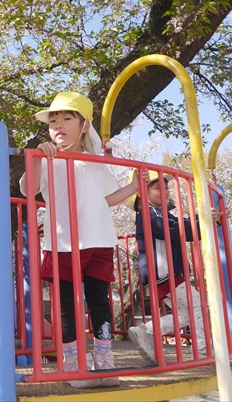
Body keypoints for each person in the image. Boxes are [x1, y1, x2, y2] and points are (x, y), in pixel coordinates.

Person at [19, 91, 141, 389]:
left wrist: (135, 186)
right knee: (65, 305)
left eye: (66, 118)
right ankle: (72, 364)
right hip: (63, 242)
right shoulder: (47, 159)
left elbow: (106, 199)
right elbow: (30, 190)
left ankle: (104, 362)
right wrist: (37, 157)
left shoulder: (94, 162)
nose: (58, 125)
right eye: (53, 121)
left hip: (99, 239)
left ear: (85, 126)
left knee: (99, 302)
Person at [125, 170, 220, 363]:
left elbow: (184, 228)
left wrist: (207, 222)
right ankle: (202, 351)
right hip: (164, 273)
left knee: (189, 313)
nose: (165, 192)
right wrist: (201, 219)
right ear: (142, 193)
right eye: (158, 188)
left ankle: (147, 330)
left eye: (167, 187)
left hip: (166, 274)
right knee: (199, 306)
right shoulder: (149, 213)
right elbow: (172, 229)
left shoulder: (161, 214)